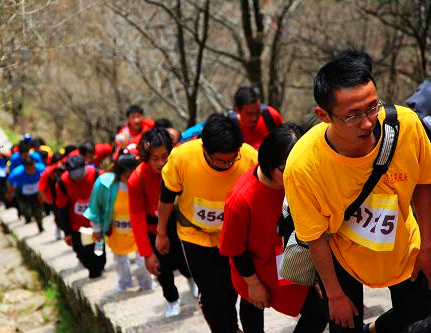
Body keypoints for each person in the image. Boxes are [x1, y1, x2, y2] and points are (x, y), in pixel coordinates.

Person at [284, 50, 431, 333]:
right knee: (344, 326)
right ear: (323, 115)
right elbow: (314, 237)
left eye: (372, 107)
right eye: (352, 116)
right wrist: (335, 295)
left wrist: (427, 246)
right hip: (339, 253)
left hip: (404, 245)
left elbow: (425, 182)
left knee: (420, 318)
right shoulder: (303, 166)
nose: (367, 122)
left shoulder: (406, 126)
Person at [220, 124, 328, 333]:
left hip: (295, 262)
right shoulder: (241, 199)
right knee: (253, 307)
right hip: (255, 271)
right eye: (283, 169)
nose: (293, 175)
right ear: (269, 162)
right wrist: (254, 284)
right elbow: (235, 250)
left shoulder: (305, 182)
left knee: (319, 313)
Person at [156, 113, 257, 333]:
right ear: (205, 150)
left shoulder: (250, 158)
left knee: (230, 290)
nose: (227, 165)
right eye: (221, 160)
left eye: (232, 159)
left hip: (232, 236)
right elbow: (166, 196)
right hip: (194, 234)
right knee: (212, 293)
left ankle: (232, 327)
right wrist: (161, 232)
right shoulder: (182, 157)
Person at [128, 128, 194, 318]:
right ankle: (172, 300)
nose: (160, 163)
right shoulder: (137, 179)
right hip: (153, 228)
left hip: (181, 222)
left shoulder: (180, 166)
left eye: (164, 156)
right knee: (162, 269)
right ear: (145, 157)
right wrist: (147, 254)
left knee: (186, 259)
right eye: (154, 158)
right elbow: (137, 216)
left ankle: (193, 282)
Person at [84, 153, 153, 291]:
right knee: (120, 261)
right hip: (116, 231)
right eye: (127, 175)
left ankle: (146, 284)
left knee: (143, 261)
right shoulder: (104, 184)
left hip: (138, 230)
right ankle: (124, 283)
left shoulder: (142, 181)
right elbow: (95, 208)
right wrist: (97, 229)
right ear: (119, 172)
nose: (130, 179)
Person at [55, 155, 105, 279]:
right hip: (76, 225)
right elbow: (61, 208)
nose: (77, 176)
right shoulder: (62, 183)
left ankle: (98, 269)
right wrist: (66, 232)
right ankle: (94, 269)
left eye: (80, 172)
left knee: (98, 252)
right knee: (81, 252)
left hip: (96, 224)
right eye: (73, 173)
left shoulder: (97, 175)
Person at [7, 157, 45, 232]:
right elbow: (9, 183)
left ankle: (40, 225)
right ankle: (27, 217)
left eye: (32, 168)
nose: (31, 171)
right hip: (22, 194)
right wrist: (9, 194)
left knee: (38, 210)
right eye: (29, 169)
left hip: (36, 192)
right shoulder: (17, 173)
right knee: (26, 209)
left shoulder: (41, 168)